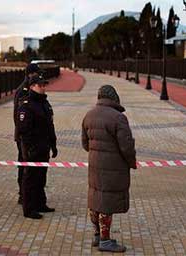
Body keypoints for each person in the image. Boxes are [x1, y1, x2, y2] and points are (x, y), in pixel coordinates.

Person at [81, 85, 136, 252]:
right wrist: (132, 162)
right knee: (107, 203)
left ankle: (97, 236)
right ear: (114, 97)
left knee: (96, 198)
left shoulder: (88, 115)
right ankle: (105, 241)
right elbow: (126, 147)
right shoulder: (118, 118)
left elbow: (85, 144)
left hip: (95, 165)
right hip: (113, 166)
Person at [17, 75, 58, 219]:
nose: (43, 87)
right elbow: (23, 130)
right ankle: (29, 209)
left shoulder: (44, 103)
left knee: (41, 177)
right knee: (30, 178)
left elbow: (50, 125)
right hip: (32, 148)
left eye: (44, 85)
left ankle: (41, 203)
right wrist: (28, 148)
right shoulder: (26, 104)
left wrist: (53, 144)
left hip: (44, 147)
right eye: (40, 85)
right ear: (32, 86)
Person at [13, 63, 42, 205]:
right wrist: (23, 135)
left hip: (33, 136)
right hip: (24, 137)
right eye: (36, 73)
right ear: (30, 74)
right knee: (25, 166)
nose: (39, 76)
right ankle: (23, 195)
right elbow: (19, 117)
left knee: (31, 166)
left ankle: (32, 195)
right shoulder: (22, 91)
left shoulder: (32, 88)